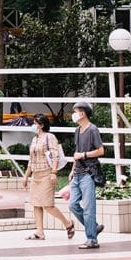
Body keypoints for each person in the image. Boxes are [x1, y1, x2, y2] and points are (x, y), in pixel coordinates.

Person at [22, 113, 74, 241]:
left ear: (42, 125)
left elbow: (55, 155)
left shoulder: (49, 137)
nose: (33, 125)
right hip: (36, 175)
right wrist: (26, 176)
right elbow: (31, 159)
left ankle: (68, 224)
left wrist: (54, 172)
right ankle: (39, 232)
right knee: (36, 204)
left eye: (35, 123)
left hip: (46, 174)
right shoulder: (35, 139)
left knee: (47, 205)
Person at [68, 101, 105, 250]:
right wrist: (72, 170)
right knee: (72, 204)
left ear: (82, 113)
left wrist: (84, 155)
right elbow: (76, 153)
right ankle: (93, 227)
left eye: (76, 111)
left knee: (89, 208)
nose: (74, 114)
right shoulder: (78, 130)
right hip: (77, 173)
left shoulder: (93, 130)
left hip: (88, 174)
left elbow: (101, 151)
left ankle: (92, 239)